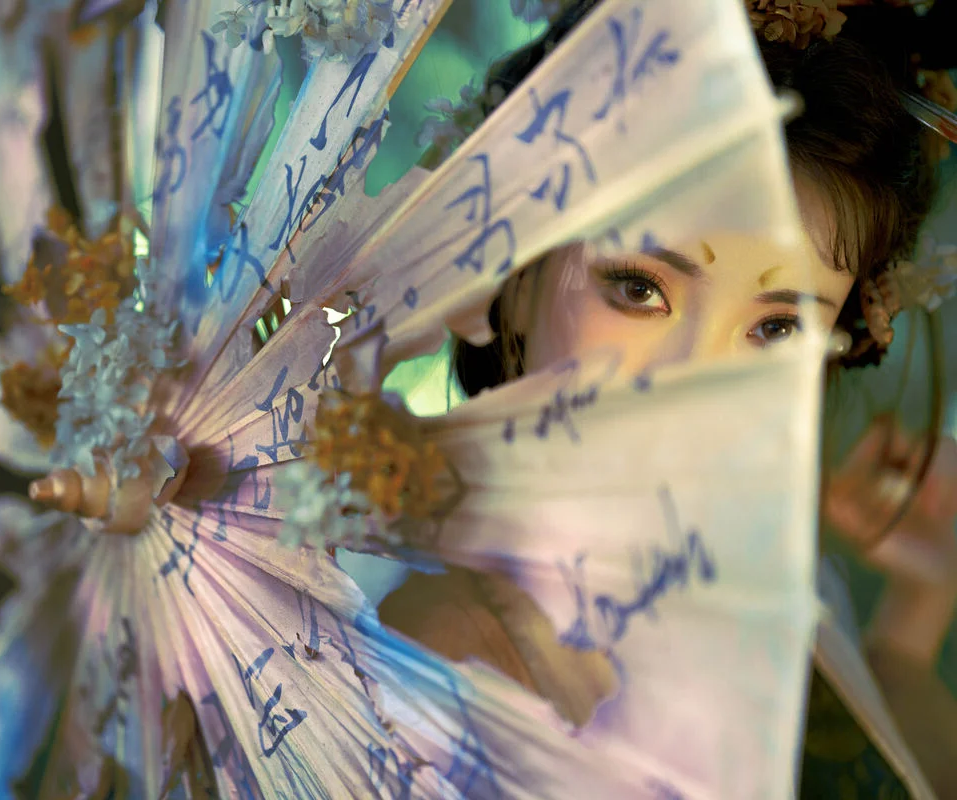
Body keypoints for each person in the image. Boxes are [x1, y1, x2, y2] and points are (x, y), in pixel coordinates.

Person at [378, 1, 957, 796]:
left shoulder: (775, 591)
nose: (697, 379)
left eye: (777, 329)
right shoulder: (418, 688)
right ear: (514, 280)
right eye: (639, 289)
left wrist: (914, 618)